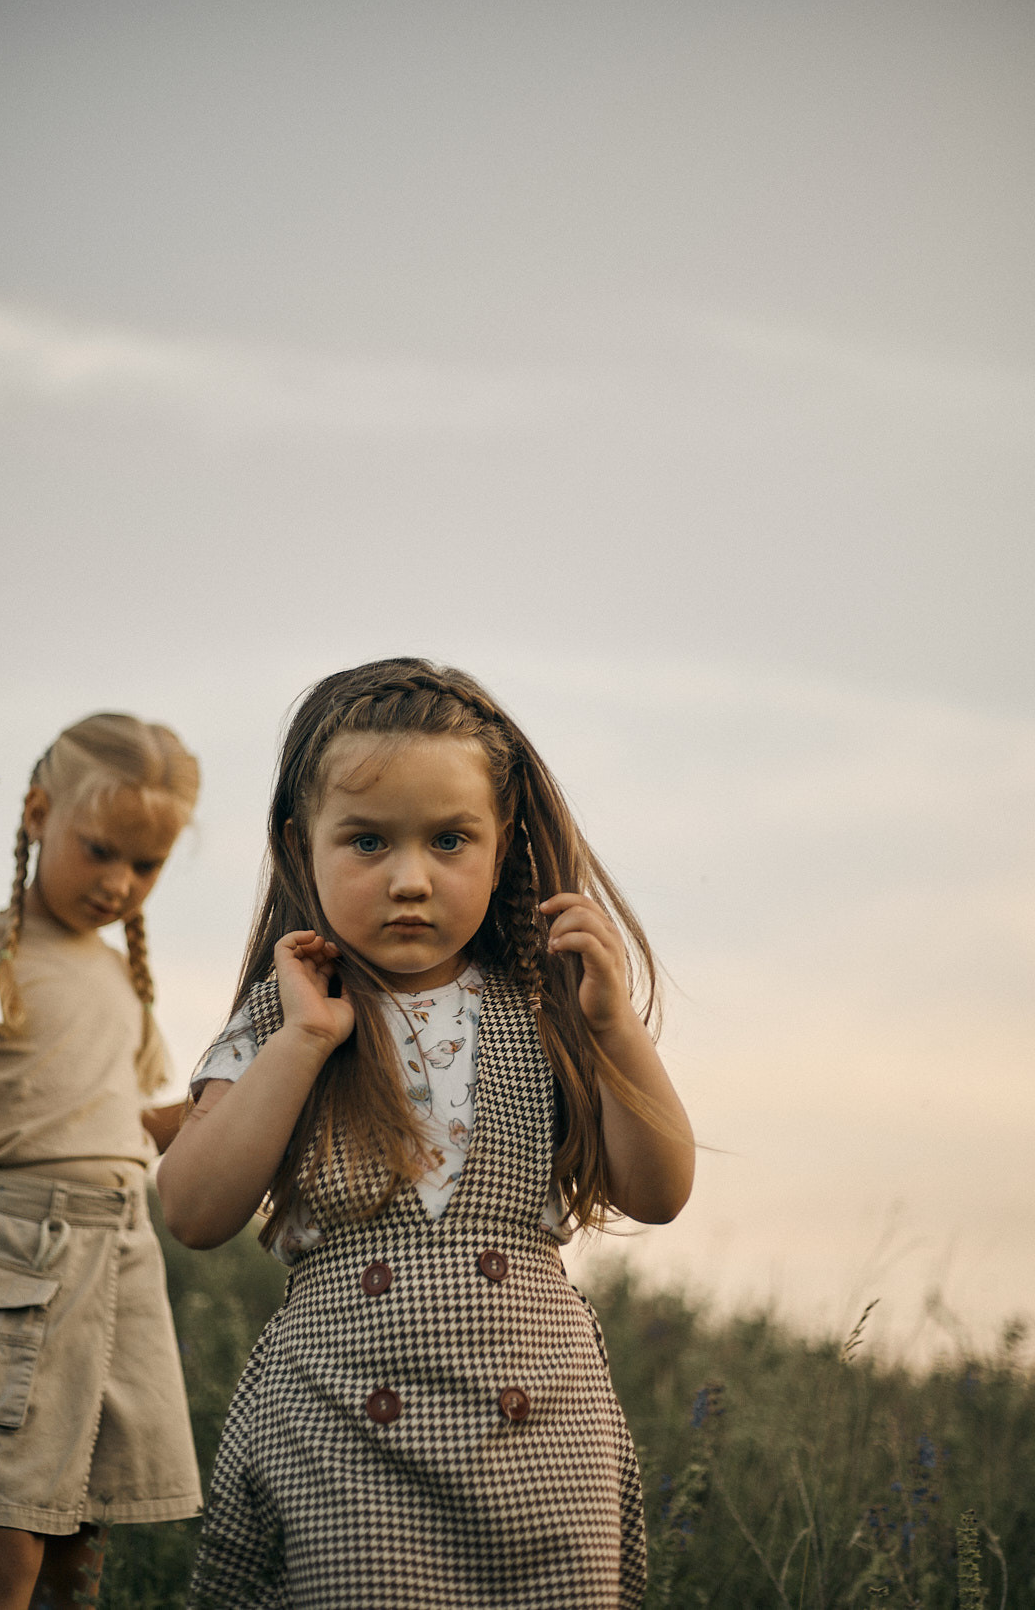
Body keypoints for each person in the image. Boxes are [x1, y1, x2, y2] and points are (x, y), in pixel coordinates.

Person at [157, 659, 695, 1610]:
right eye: (366, 842)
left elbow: (657, 1192)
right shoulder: (285, 1014)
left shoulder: (548, 1005)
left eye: (450, 840)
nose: (410, 880)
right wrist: (303, 1043)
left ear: (504, 845)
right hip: (343, 1429)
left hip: (538, 1433)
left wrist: (614, 1030)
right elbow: (194, 1211)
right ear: (300, 845)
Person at [0, 714, 203, 1610]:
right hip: (10, 1251)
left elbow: (124, 1128)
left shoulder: (120, 980)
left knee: (78, 1534)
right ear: (34, 813)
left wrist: (226, 1103)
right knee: (1, 1526)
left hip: (117, 1258)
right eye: (100, 851)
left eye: (145, 866)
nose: (119, 883)